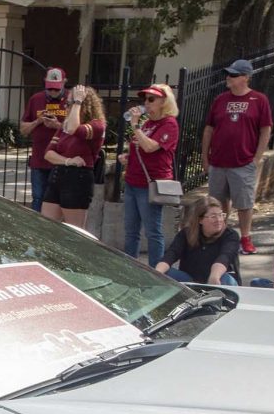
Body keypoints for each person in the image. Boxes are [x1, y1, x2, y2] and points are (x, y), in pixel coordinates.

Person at [202, 59, 274, 255]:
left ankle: (245, 237)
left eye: (233, 75)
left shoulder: (259, 100)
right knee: (218, 202)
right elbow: (209, 129)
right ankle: (220, 234)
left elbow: (265, 130)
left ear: (245, 78)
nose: (229, 78)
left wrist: (256, 158)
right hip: (218, 160)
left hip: (243, 161)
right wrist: (205, 157)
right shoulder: (220, 100)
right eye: (229, 74)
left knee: (244, 202)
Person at [117, 83, 179, 267]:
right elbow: (141, 148)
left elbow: (151, 147)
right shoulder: (148, 123)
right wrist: (128, 157)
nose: (147, 103)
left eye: (151, 99)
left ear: (164, 102)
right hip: (132, 182)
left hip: (150, 185)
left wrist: (135, 126)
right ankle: (130, 267)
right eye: (145, 99)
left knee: (152, 231)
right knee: (131, 230)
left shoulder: (169, 124)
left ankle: (156, 270)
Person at [42, 84, 106, 228]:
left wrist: (77, 102)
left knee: (74, 230)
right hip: (58, 174)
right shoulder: (65, 125)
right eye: (67, 103)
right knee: (46, 227)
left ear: (84, 104)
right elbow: (48, 154)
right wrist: (68, 161)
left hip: (78, 178)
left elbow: (73, 129)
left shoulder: (97, 125)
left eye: (69, 103)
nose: (66, 107)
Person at [155, 196, 240, 286]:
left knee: (226, 279)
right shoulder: (186, 233)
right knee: (165, 273)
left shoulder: (230, 235)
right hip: (191, 281)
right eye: (213, 216)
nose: (219, 220)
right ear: (200, 220)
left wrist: (214, 276)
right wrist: (157, 273)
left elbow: (225, 257)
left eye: (221, 215)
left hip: (218, 278)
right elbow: (171, 254)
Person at [20, 67, 69, 212]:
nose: (53, 92)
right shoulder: (36, 99)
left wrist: (57, 125)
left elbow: (78, 130)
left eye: (56, 89)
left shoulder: (71, 100)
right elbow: (23, 130)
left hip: (61, 160)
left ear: (64, 83)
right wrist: (38, 121)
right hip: (39, 160)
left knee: (58, 199)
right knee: (38, 198)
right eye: (50, 88)